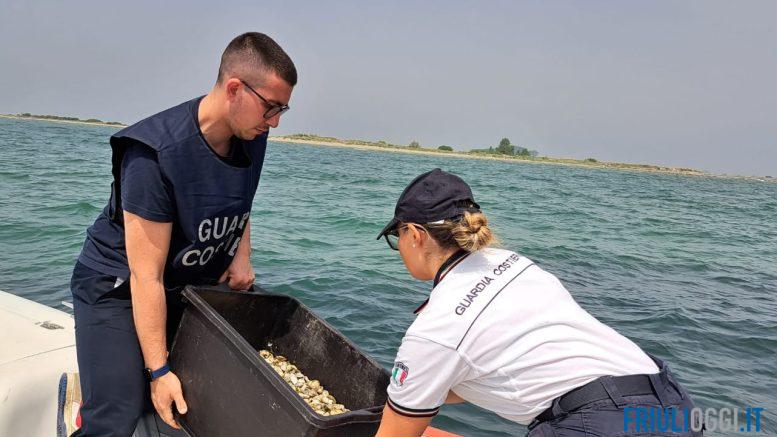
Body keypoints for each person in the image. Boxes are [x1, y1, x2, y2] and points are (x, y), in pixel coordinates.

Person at [70, 32, 296, 436]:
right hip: (118, 284)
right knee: (118, 413)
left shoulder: (251, 134)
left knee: (216, 390)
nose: (275, 121)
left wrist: (242, 255)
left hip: (185, 280)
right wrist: (158, 371)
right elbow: (145, 276)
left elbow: (240, 200)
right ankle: (96, 408)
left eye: (283, 109)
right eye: (272, 107)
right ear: (234, 89)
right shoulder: (154, 155)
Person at [374, 169, 702, 437]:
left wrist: (409, 392)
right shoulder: (513, 263)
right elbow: (494, 370)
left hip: (601, 423)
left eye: (397, 237)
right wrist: (418, 388)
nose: (399, 246)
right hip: (671, 404)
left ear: (415, 234)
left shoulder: (435, 328)